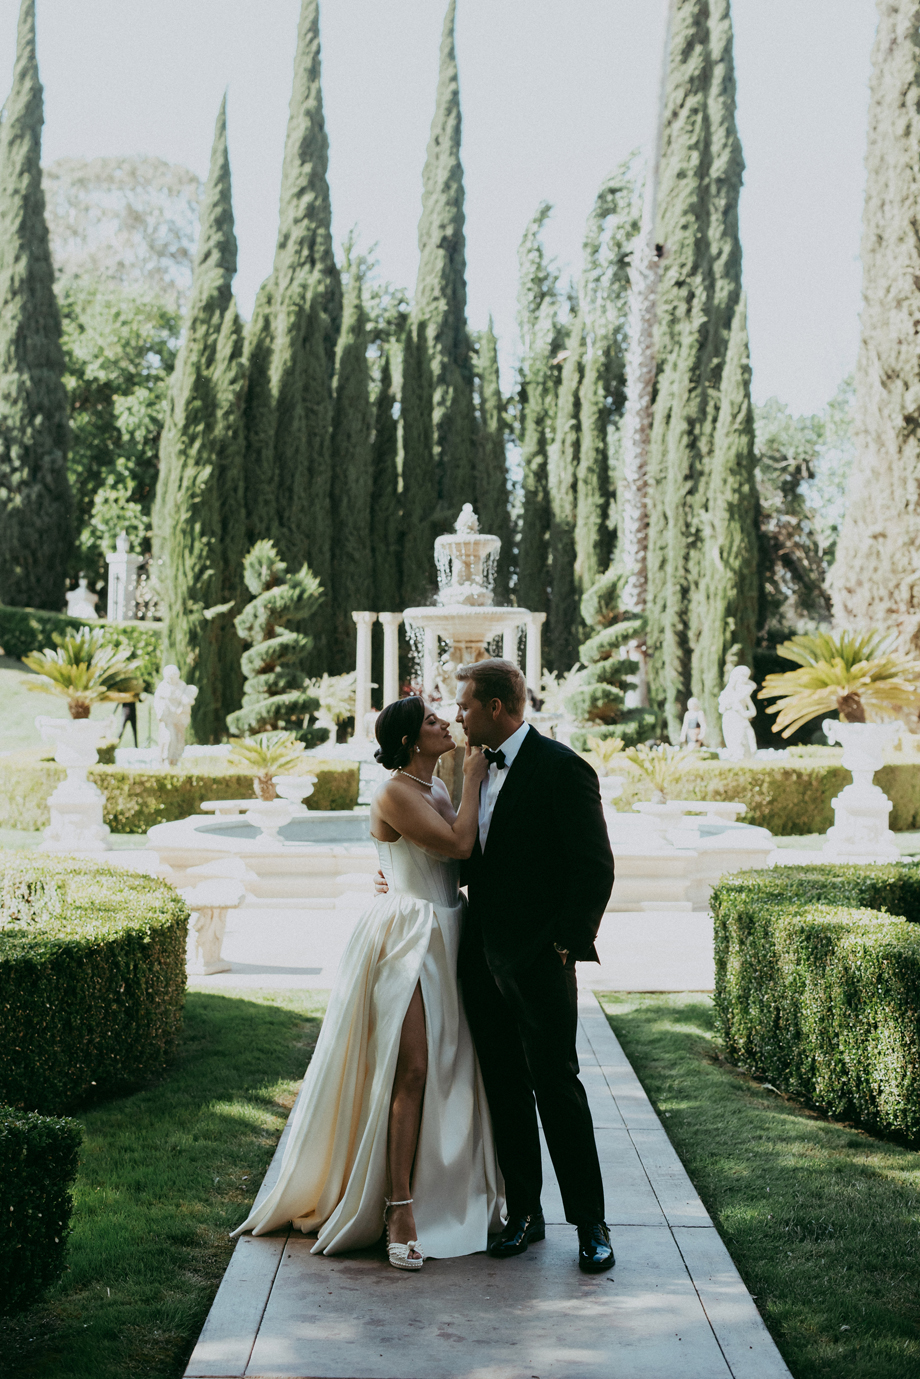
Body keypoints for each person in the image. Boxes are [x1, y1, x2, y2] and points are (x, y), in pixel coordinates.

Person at [231, 696, 502, 1271]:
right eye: (431, 721)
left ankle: (446, 1192)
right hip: (407, 939)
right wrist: (475, 778)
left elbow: (450, 861)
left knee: (451, 1067)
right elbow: (457, 844)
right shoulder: (395, 792)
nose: (445, 723)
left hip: (448, 931)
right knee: (413, 1068)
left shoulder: (436, 787)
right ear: (409, 740)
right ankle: (398, 1208)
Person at [376, 659, 616, 1272]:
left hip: (539, 961)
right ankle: (524, 1215)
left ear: (495, 708)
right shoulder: (468, 770)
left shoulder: (562, 768)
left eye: (463, 705)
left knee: (557, 1087)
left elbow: (594, 868)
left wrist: (565, 946)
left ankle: (591, 1223)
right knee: (505, 1089)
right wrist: (395, 878)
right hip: (477, 958)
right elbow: (459, 853)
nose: (456, 715)